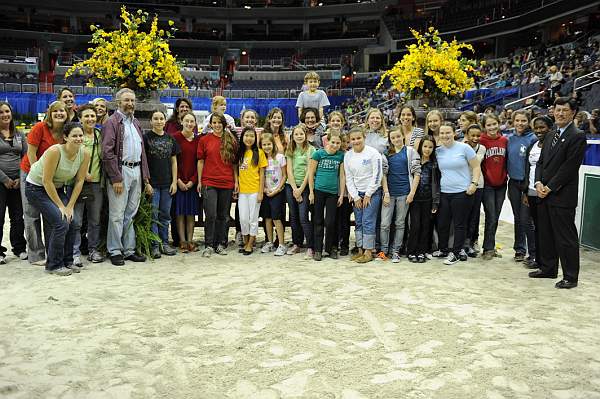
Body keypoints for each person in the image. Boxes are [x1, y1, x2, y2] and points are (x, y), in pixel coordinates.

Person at [529, 97, 587, 289]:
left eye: (564, 110)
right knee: (545, 233)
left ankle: (570, 276)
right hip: (543, 192)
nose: (560, 113)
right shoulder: (551, 132)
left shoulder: (577, 135)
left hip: (562, 195)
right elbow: (541, 162)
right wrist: (538, 182)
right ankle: (548, 268)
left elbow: (568, 168)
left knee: (565, 237)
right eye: (557, 109)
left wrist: (549, 187)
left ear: (573, 113)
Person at [25, 122, 90, 276]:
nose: (78, 138)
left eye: (81, 135)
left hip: (57, 187)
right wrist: (62, 207)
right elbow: (46, 181)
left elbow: (80, 181)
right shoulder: (55, 151)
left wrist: (70, 206)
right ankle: (53, 265)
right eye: (74, 135)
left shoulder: (85, 153)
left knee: (73, 221)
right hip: (36, 188)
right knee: (61, 222)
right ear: (65, 137)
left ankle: (68, 262)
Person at [102, 88, 152, 266]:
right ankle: (115, 250)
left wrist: (145, 178)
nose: (130, 104)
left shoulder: (135, 122)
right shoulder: (112, 122)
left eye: (132, 100)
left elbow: (142, 152)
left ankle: (129, 250)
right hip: (121, 171)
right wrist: (115, 178)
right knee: (116, 214)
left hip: (136, 171)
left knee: (130, 213)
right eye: (126, 100)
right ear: (118, 103)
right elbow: (107, 153)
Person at [20, 100, 67, 265]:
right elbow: (31, 153)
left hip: (50, 177)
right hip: (31, 173)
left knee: (50, 215)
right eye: (55, 111)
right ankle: (36, 254)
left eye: (62, 111)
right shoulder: (40, 128)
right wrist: (37, 175)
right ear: (50, 114)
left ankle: (51, 252)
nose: (59, 114)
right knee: (31, 215)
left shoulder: (65, 133)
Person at [434, 122, 481, 265]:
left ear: (454, 133)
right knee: (443, 223)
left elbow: (476, 166)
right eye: (442, 133)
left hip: (462, 192)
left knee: (460, 224)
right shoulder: (438, 151)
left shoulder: (464, 148)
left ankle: (455, 253)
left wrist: (474, 183)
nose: (445, 135)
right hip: (444, 192)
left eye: (448, 132)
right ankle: (443, 249)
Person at [197, 113, 237, 257]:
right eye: (214, 122)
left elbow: (234, 163)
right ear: (210, 124)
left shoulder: (230, 140)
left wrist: (236, 181)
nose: (217, 125)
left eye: (219, 122)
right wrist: (200, 181)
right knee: (211, 214)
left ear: (224, 124)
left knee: (223, 215)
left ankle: (221, 243)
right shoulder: (204, 140)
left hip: (226, 182)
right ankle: (209, 244)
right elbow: (200, 161)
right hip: (209, 181)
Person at [69, 104, 105, 266]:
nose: (90, 119)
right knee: (76, 221)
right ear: (80, 118)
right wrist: (81, 173)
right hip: (77, 183)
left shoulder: (100, 135)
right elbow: (69, 158)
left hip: (96, 184)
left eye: (92, 116)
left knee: (94, 220)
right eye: (86, 116)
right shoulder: (76, 136)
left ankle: (93, 250)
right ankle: (74, 253)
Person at [379, 128, 421, 263]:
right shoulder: (386, 153)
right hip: (389, 193)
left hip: (404, 193)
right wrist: (385, 192)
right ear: (390, 140)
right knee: (385, 223)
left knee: (400, 223)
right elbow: (383, 174)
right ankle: (384, 251)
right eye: (393, 138)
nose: (396, 139)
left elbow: (417, 173)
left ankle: (396, 251)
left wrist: (412, 193)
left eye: (398, 136)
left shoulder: (410, 152)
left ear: (402, 136)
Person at [344, 126, 383, 264]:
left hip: (372, 193)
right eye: (353, 139)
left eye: (358, 138)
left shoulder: (373, 153)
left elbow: (377, 175)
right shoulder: (348, 156)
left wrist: (368, 194)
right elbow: (348, 178)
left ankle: (368, 251)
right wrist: (355, 196)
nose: (356, 141)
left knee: (368, 221)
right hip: (357, 195)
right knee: (359, 222)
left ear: (364, 138)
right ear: (349, 141)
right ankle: (360, 249)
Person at [145, 110, 179, 259]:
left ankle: (164, 243)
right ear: (151, 121)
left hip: (167, 184)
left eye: (161, 119)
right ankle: (154, 245)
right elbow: (143, 163)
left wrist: (174, 181)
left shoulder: (170, 139)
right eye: (156, 119)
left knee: (165, 215)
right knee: (153, 215)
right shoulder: (146, 138)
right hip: (153, 184)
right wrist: (146, 183)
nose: (159, 121)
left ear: (165, 121)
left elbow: (174, 161)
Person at [506, 110, 537, 265]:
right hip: (513, 183)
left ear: (528, 121)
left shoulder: (533, 139)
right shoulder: (509, 139)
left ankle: (534, 253)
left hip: (527, 185)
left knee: (527, 220)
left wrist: (528, 188)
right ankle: (519, 249)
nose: (520, 123)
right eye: (517, 120)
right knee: (518, 218)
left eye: (523, 120)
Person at [308, 131, 345, 261]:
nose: (335, 145)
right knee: (318, 221)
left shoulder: (341, 156)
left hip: (333, 193)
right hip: (318, 191)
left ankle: (330, 248)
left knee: (330, 222)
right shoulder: (318, 154)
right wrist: (311, 192)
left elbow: (341, 176)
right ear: (327, 141)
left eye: (338, 143)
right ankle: (317, 249)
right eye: (333, 142)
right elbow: (311, 174)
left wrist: (341, 195)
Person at [522, 116, 552, 270]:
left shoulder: (553, 145)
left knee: (544, 228)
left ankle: (544, 260)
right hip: (532, 191)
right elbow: (528, 168)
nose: (539, 131)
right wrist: (526, 191)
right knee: (534, 226)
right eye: (537, 128)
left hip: (546, 192)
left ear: (550, 128)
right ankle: (536, 257)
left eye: (542, 127)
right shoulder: (533, 145)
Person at [0, 101, 27, 264]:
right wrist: (5, 179)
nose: (5, 115)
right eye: (1, 112)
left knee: (18, 217)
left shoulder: (19, 134)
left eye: (7, 111)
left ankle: (19, 248)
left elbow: (25, 156)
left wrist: (19, 177)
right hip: (1, 182)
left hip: (18, 182)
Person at [479, 113, 508, 261]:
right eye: (488, 125)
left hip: (502, 184)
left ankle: (490, 245)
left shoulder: (504, 140)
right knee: (491, 216)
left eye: (494, 124)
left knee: (495, 216)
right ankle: (487, 248)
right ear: (484, 127)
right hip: (488, 185)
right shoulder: (481, 140)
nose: (492, 127)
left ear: (499, 123)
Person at [407, 136, 440, 263]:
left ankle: (422, 251)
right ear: (420, 147)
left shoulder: (434, 164)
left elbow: (436, 184)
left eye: (430, 147)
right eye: (425, 146)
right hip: (414, 199)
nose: (427, 149)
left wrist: (435, 202)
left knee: (426, 226)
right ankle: (411, 251)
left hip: (428, 200)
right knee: (415, 225)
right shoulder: (414, 161)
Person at [285, 124, 315, 257]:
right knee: (293, 217)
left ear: (305, 135)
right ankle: (297, 243)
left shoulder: (311, 150)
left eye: (301, 134)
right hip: (291, 186)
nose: (299, 136)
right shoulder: (290, 149)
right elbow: (289, 170)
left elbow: (310, 171)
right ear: (293, 136)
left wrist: (301, 189)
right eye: (296, 134)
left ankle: (310, 246)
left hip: (305, 186)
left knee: (303, 217)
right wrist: (294, 189)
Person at [237, 127, 267, 255]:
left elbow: (262, 174)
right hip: (242, 191)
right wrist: (235, 183)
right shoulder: (240, 153)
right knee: (243, 218)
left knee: (253, 219)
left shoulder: (259, 153)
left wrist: (260, 192)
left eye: (252, 136)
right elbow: (235, 169)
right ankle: (245, 240)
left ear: (255, 138)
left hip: (254, 190)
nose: (249, 138)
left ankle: (250, 243)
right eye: (246, 136)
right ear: (242, 137)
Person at [259, 133, 287, 256]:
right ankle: (269, 242)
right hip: (266, 192)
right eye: (264, 145)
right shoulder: (261, 158)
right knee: (267, 218)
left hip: (277, 192)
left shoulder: (280, 157)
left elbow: (284, 175)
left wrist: (278, 189)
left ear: (273, 144)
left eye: (269, 144)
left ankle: (281, 244)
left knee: (277, 218)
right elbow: (260, 176)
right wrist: (264, 189)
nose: (267, 147)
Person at [463, 124, 486, 257]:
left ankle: (470, 243)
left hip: (478, 184)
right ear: (467, 135)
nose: (476, 138)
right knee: (463, 215)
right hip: (463, 184)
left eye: (478, 135)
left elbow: (475, 161)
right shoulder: (460, 145)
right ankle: (461, 243)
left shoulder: (482, 148)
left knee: (474, 215)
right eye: (473, 135)